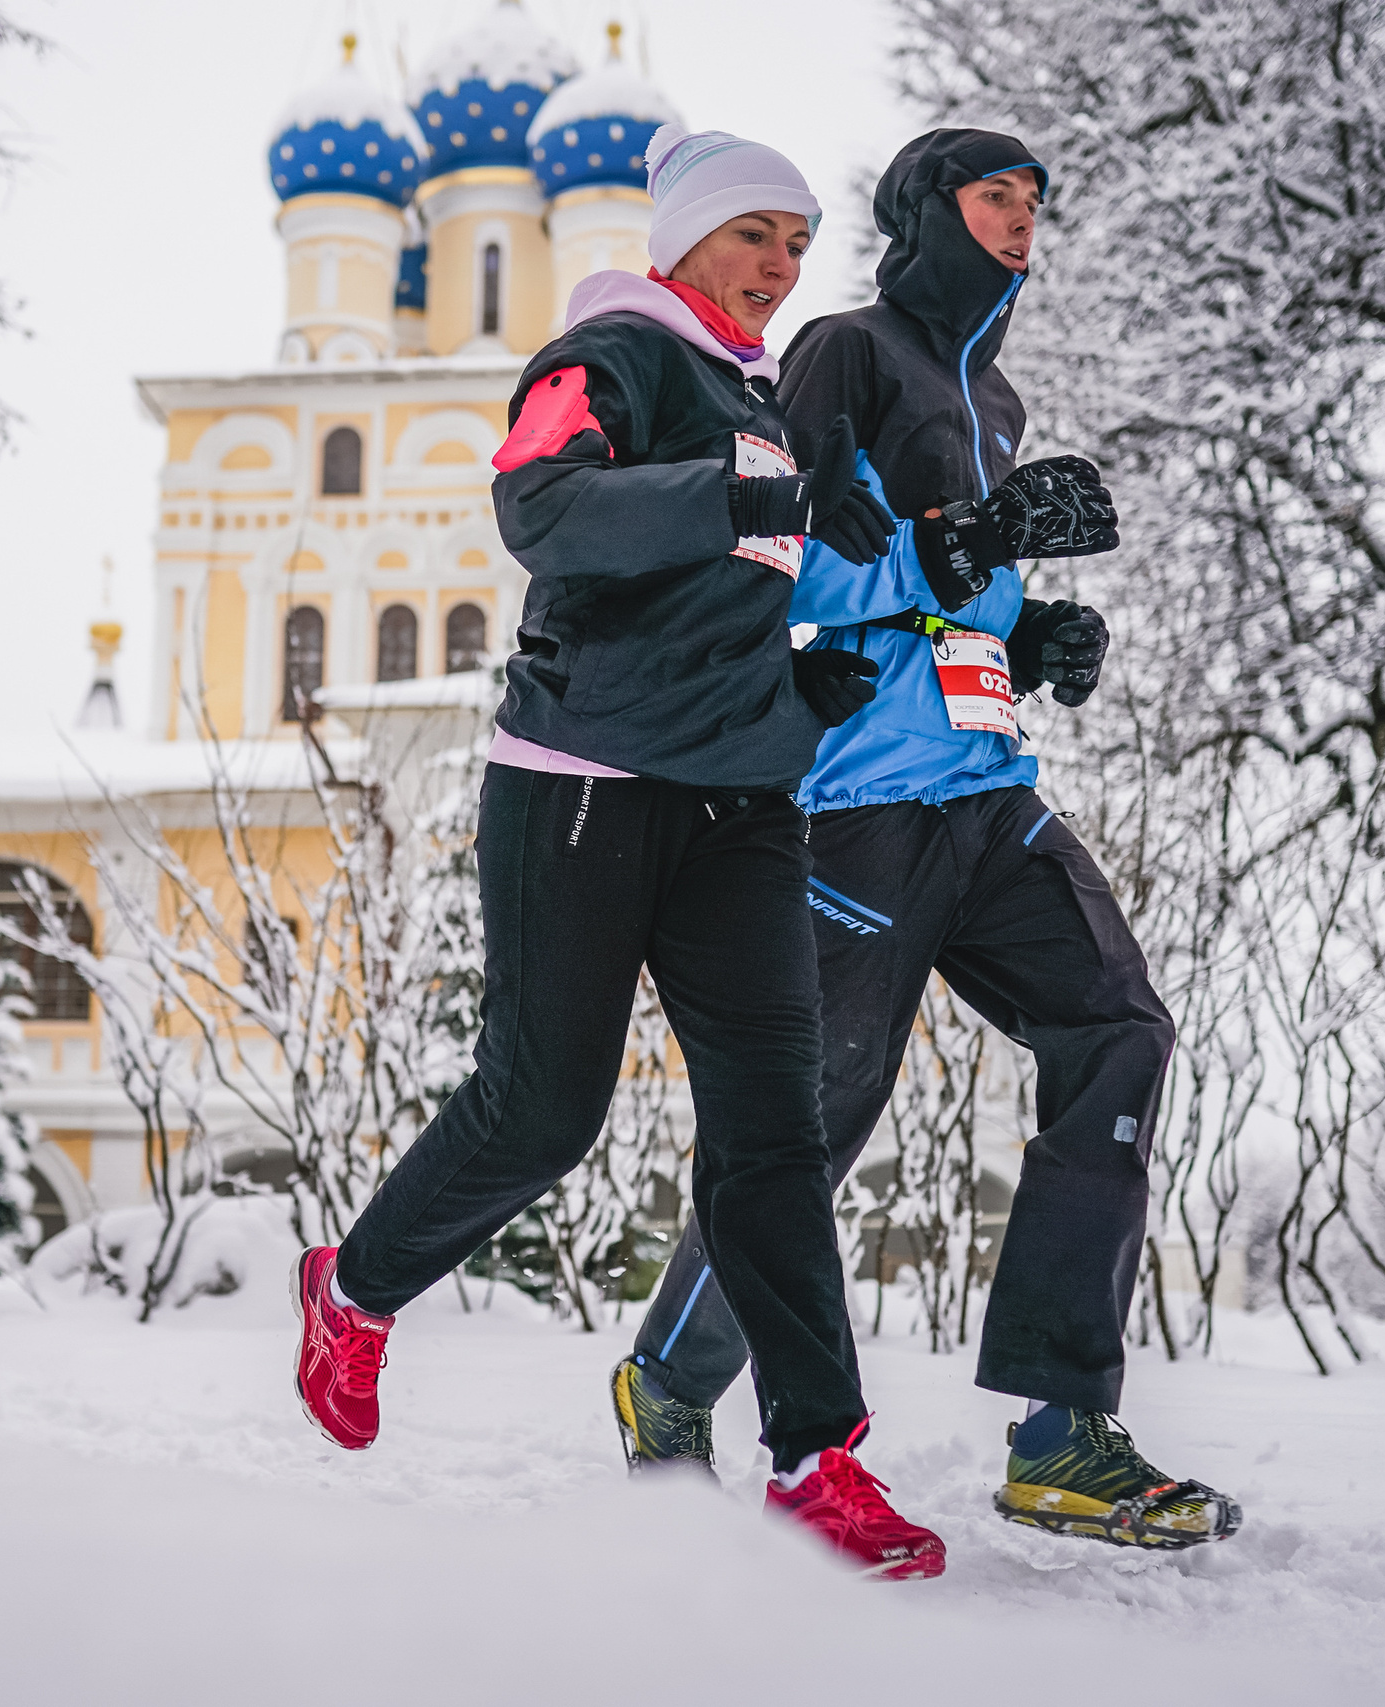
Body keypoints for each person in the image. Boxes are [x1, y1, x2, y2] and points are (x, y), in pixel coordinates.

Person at [292, 125, 943, 1580]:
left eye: (798, 242)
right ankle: (355, 1288)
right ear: (684, 236)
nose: (780, 264)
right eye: (755, 232)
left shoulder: (764, 407)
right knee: (543, 1110)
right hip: (582, 783)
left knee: (772, 1132)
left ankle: (817, 1456)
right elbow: (541, 508)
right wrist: (736, 496)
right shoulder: (611, 354)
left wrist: (805, 687)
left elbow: (732, 603)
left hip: (740, 808)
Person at [608, 129, 1243, 1552]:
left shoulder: (991, 392)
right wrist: (970, 547)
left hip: (987, 790)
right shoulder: (841, 353)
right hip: (853, 806)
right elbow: (771, 559)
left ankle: (1059, 1428)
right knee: (814, 1123)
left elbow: (953, 585)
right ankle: (669, 1381)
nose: (1021, 219)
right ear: (927, 212)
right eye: (993, 195)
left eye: (1033, 200)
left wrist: (1031, 631)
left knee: (1119, 1032)